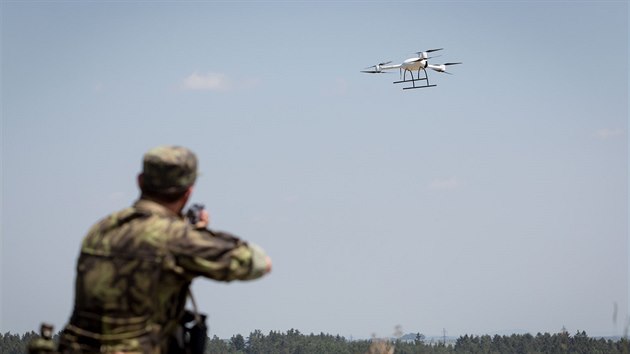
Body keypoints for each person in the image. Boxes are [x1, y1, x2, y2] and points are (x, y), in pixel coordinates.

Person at [57, 145, 272, 354]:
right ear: (188, 192)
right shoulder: (177, 238)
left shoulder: (102, 228)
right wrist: (201, 233)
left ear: (140, 181)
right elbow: (259, 262)